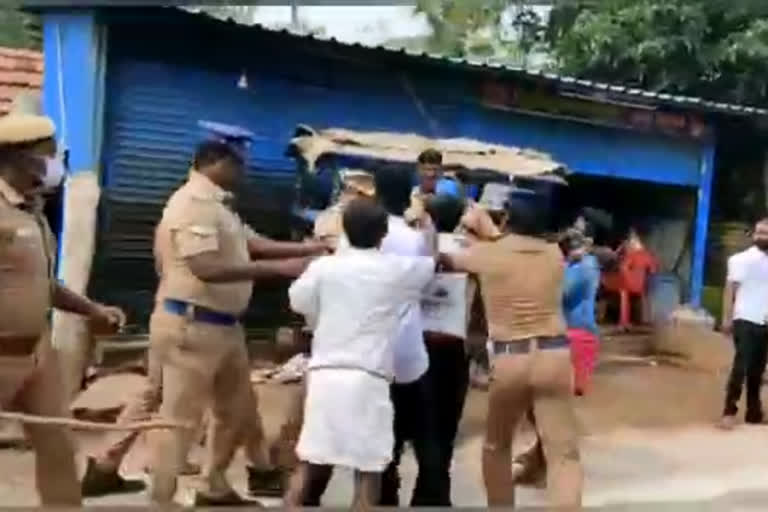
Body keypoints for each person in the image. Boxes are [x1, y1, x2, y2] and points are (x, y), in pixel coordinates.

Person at [148, 140, 325, 506]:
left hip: (224, 328)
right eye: (237, 165)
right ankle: (160, 499)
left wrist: (311, 249)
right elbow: (205, 267)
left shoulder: (218, 205)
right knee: (180, 422)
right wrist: (281, 270)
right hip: (192, 326)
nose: (242, 173)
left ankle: (213, 487)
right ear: (215, 163)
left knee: (236, 412)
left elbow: (253, 243)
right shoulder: (192, 204)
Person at [0, 113, 125, 505]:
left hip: (38, 355)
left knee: (59, 448)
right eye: (49, 155)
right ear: (19, 159)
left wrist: (93, 310)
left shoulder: (33, 209)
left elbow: (45, 284)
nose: (57, 164)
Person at [284, 198, 435, 510]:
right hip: (368, 380)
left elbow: (298, 302)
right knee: (368, 470)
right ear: (383, 234)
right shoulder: (395, 270)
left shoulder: (324, 268)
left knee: (310, 462)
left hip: (324, 375)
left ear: (345, 231)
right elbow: (430, 263)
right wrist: (429, 228)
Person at [441, 187, 582, 508]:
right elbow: (512, 245)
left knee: (497, 447)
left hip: (511, 359)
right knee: (563, 454)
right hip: (555, 355)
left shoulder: (486, 255)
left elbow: (444, 260)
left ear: (506, 219)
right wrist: (489, 230)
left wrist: (467, 225)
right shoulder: (554, 255)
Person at [511, 227, 601, 486]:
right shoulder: (572, 263)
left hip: (574, 336)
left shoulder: (585, 265)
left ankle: (550, 463)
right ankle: (542, 458)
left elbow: (556, 294)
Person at [422, 193, 476, 505]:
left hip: (418, 343)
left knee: (418, 422)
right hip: (454, 344)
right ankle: (436, 494)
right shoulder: (470, 249)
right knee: (445, 426)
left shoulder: (417, 244)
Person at [718, 217, 768, 430]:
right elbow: (730, 289)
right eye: (759, 232)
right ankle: (729, 412)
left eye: (765, 233)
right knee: (741, 366)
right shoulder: (740, 260)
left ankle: (754, 413)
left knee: (758, 369)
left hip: (764, 320)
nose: (761, 236)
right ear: (753, 235)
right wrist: (726, 318)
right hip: (744, 318)